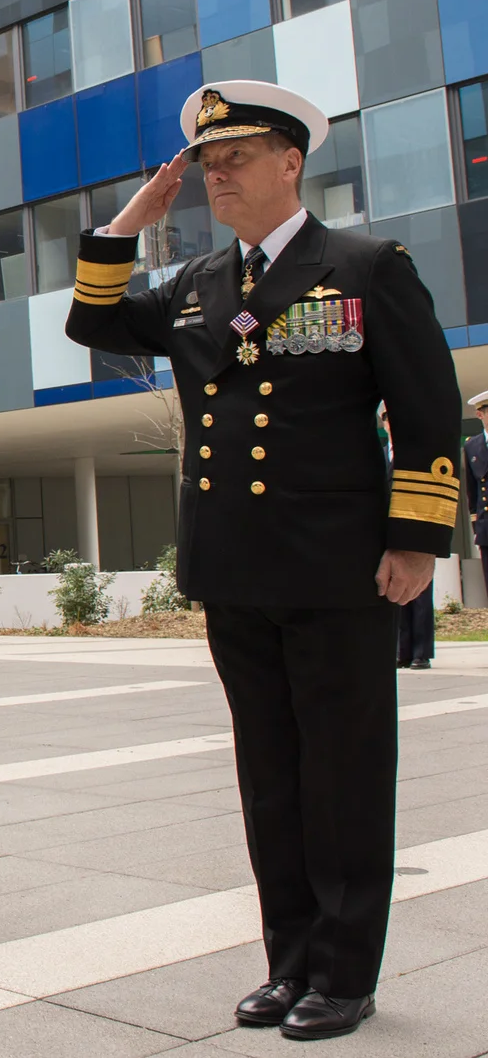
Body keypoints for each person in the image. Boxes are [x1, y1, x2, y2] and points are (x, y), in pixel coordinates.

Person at [64, 80, 459, 1041]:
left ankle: (345, 972)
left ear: (292, 162)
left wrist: (416, 542)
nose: (216, 173)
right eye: (206, 161)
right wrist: (130, 219)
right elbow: (94, 321)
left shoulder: (366, 267)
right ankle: (290, 963)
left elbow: (426, 409)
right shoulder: (198, 283)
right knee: (269, 772)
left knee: (346, 773)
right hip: (234, 566)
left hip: (338, 568)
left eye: (236, 156)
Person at [381, 405, 436, 670]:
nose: (391, 423)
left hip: (413, 527)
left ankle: (421, 652)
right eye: (386, 418)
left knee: (421, 596)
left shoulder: (412, 455)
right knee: (395, 593)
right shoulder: (378, 455)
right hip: (386, 531)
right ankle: (402, 651)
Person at [467, 390, 488, 577]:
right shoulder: (472, 446)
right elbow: (472, 492)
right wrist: (476, 527)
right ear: (480, 414)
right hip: (486, 527)